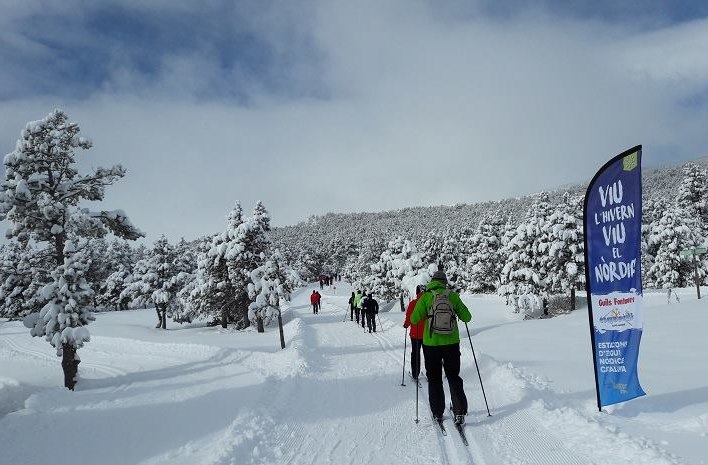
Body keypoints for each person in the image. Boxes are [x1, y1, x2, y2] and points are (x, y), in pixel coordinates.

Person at [411, 268, 471, 425]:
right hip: (451, 343)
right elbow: (467, 317)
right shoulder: (452, 296)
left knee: (435, 378)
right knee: (453, 376)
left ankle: (437, 412)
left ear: (432, 282)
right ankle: (459, 411)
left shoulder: (426, 297)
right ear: (445, 283)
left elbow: (414, 318)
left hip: (431, 345)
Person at [404, 285, 425, 380]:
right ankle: (431, 374)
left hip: (415, 334)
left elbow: (408, 316)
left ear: (417, 293)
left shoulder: (413, 303)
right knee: (428, 354)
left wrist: (406, 325)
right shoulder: (428, 302)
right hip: (427, 334)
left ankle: (415, 374)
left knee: (415, 353)